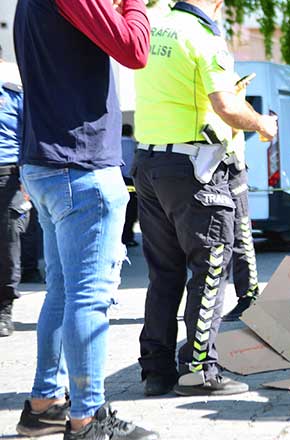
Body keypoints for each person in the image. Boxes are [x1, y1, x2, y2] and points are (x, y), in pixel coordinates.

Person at [13, 0, 156, 438]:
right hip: (80, 165)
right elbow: (135, 49)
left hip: (48, 162)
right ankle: (88, 418)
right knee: (88, 298)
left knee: (62, 292)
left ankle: (45, 403)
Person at [134, 0, 277, 398]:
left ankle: (156, 370)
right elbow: (226, 106)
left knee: (164, 272)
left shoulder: (155, 27)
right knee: (210, 268)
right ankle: (199, 369)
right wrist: (263, 123)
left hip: (149, 162)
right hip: (193, 170)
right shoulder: (204, 37)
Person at [222, 80, 261, 323]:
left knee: (240, 233)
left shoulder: (226, 72)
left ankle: (249, 296)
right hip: (212, 163)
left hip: (231, 162)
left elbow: (237, 111)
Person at [0, 46, 26, 338]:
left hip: (6, 174)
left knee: (7, 243)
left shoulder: (13, 96)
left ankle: (4, 307)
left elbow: (26, 135)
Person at [121, 124, 139, 247]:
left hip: (117, 180)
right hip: (131, 182)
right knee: (130, 212)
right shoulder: (135, 146)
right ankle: (128, 238)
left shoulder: (113, 144)